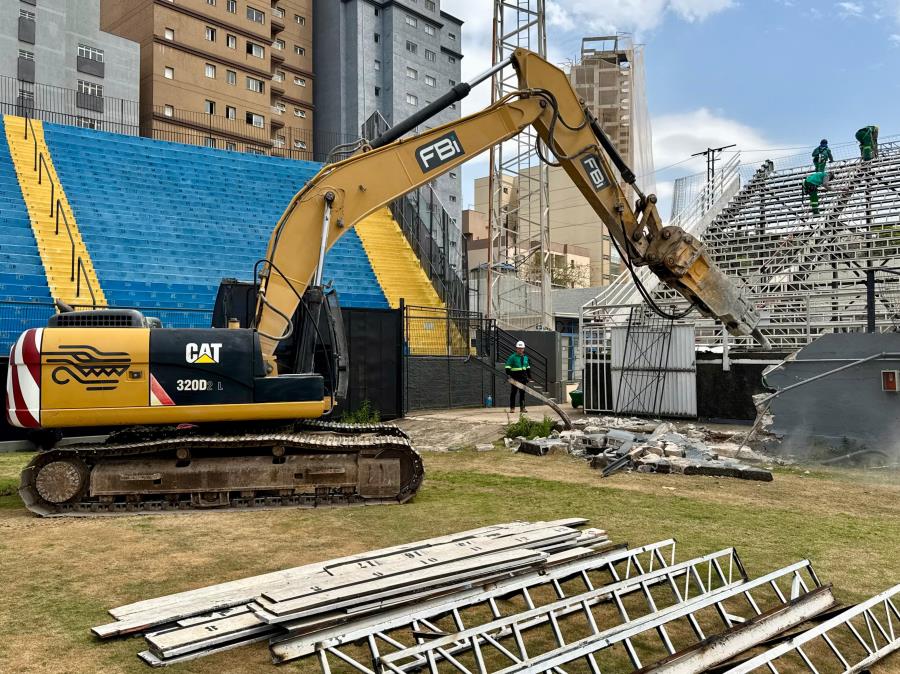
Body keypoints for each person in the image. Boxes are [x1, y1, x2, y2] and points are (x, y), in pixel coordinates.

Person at [505, 340, 531, 414]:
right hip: (515, 378)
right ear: (516, 348)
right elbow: (507, 366)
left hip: (523, 378)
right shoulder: (512, 357)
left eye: (522, 348)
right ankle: (512, 408)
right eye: (519, 348)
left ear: (523, 349)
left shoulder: (525, 357)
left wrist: (529, 377)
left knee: (522, 394)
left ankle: (522, 408)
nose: (520, 349)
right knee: (513, 393)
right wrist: (509, 375)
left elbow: (528, 367)